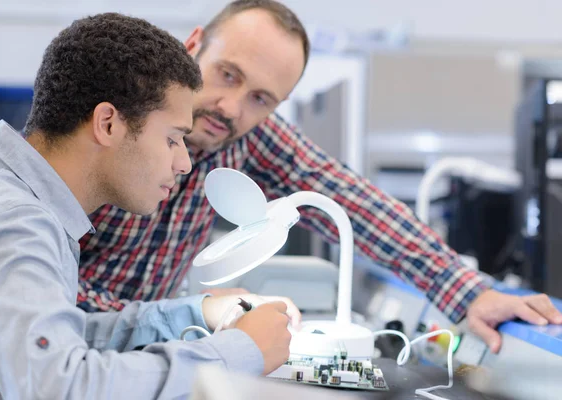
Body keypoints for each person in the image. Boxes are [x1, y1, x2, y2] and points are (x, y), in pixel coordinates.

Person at [78, 0, 562, 354]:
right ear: (193, 48)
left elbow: (357, 207)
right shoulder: (110, 121)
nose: (231, 108)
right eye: (227, 74)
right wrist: (189, 314)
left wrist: (469, 290)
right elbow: (36, 298)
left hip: (140, 361)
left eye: (261, 99)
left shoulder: (249, 138)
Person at [0, 13, 297, 399]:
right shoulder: (15, 226)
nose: (184, 163)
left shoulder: (16, 197)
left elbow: (58, 341)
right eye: (172, 139)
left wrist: (196, 313)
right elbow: (59, 384)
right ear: (107, 124)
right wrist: (239, 353)